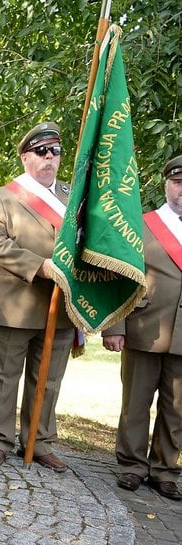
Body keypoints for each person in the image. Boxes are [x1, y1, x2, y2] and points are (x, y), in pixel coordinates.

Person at [0, 122, 75, 472]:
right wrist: (40, 266)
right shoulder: (4, 197)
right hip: (16, 302)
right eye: (41, 151)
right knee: (4, 376)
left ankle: (40, 440)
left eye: (55, 151)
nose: (50, 158)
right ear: (25, 157)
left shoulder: (73, 195)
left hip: (61, 305)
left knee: (48, 380)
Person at [102, 155, 182, 500]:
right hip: (145, 325)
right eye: (178, 181)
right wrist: (114, 326)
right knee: (135, 402)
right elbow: (119, 276)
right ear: (166, 184)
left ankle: (165, 469)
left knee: (177, 406)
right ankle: (133, 466)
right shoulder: (143, 224)